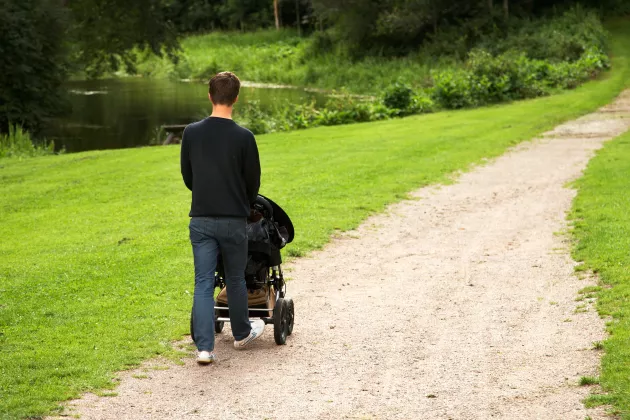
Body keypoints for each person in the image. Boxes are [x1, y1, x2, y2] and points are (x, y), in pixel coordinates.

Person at [180, 71, 264, 365]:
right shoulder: (244, 137)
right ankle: (241, 333)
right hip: (233, 219)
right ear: (236, 98)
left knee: (203, 281)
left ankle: (204, 348)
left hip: (201, 218)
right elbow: (252, 182)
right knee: (236, 277)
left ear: (209, 95)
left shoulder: (191, 132)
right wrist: (243, 201)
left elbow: (188, 177)